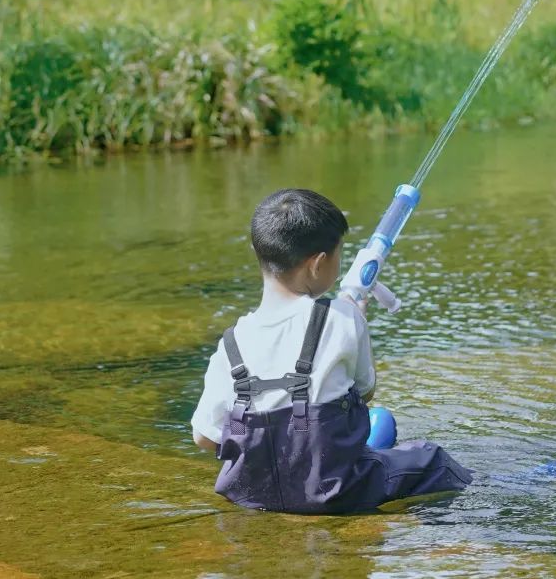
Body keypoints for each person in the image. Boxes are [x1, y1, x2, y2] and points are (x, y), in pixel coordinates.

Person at [191, 187, 473, 513]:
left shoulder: (231, 343)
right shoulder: (343, 316)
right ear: (318, 264)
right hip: (335, 491)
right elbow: (365, 394)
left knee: (379, 435)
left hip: (254, 494)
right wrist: (354, 312)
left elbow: (204, 437)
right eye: (339, 253)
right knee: (431, 459)